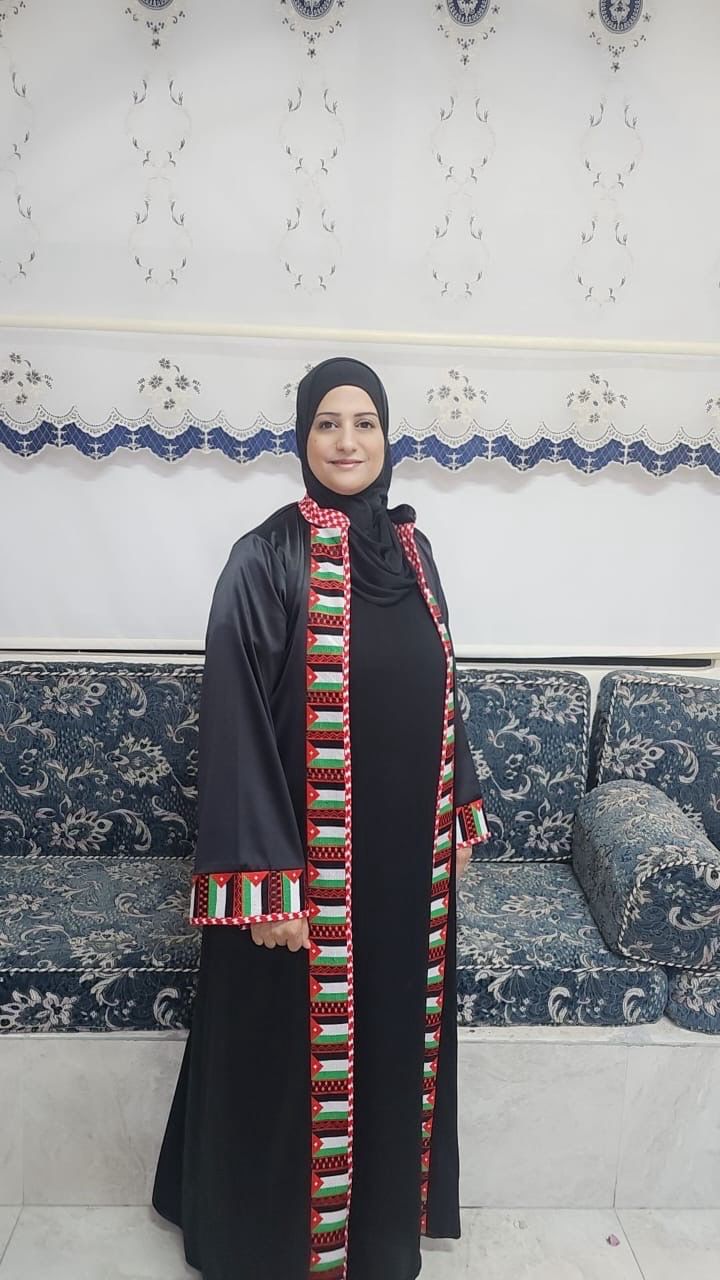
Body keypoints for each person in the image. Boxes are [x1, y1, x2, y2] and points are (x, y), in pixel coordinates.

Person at [151, 356, 491, 1280]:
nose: (348, 442)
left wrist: (457, 809)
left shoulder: (414, 552)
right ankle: (268, 1245)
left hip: (403, 863)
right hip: (309, 870)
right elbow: (233, 720)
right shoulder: (267, 557)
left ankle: (374, 1234)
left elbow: (445, 685)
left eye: (364, 422)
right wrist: (270, 884)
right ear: (301, 439)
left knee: (389, 1036)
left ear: (388, 436)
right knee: (289, 1056)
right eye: (328, 424)